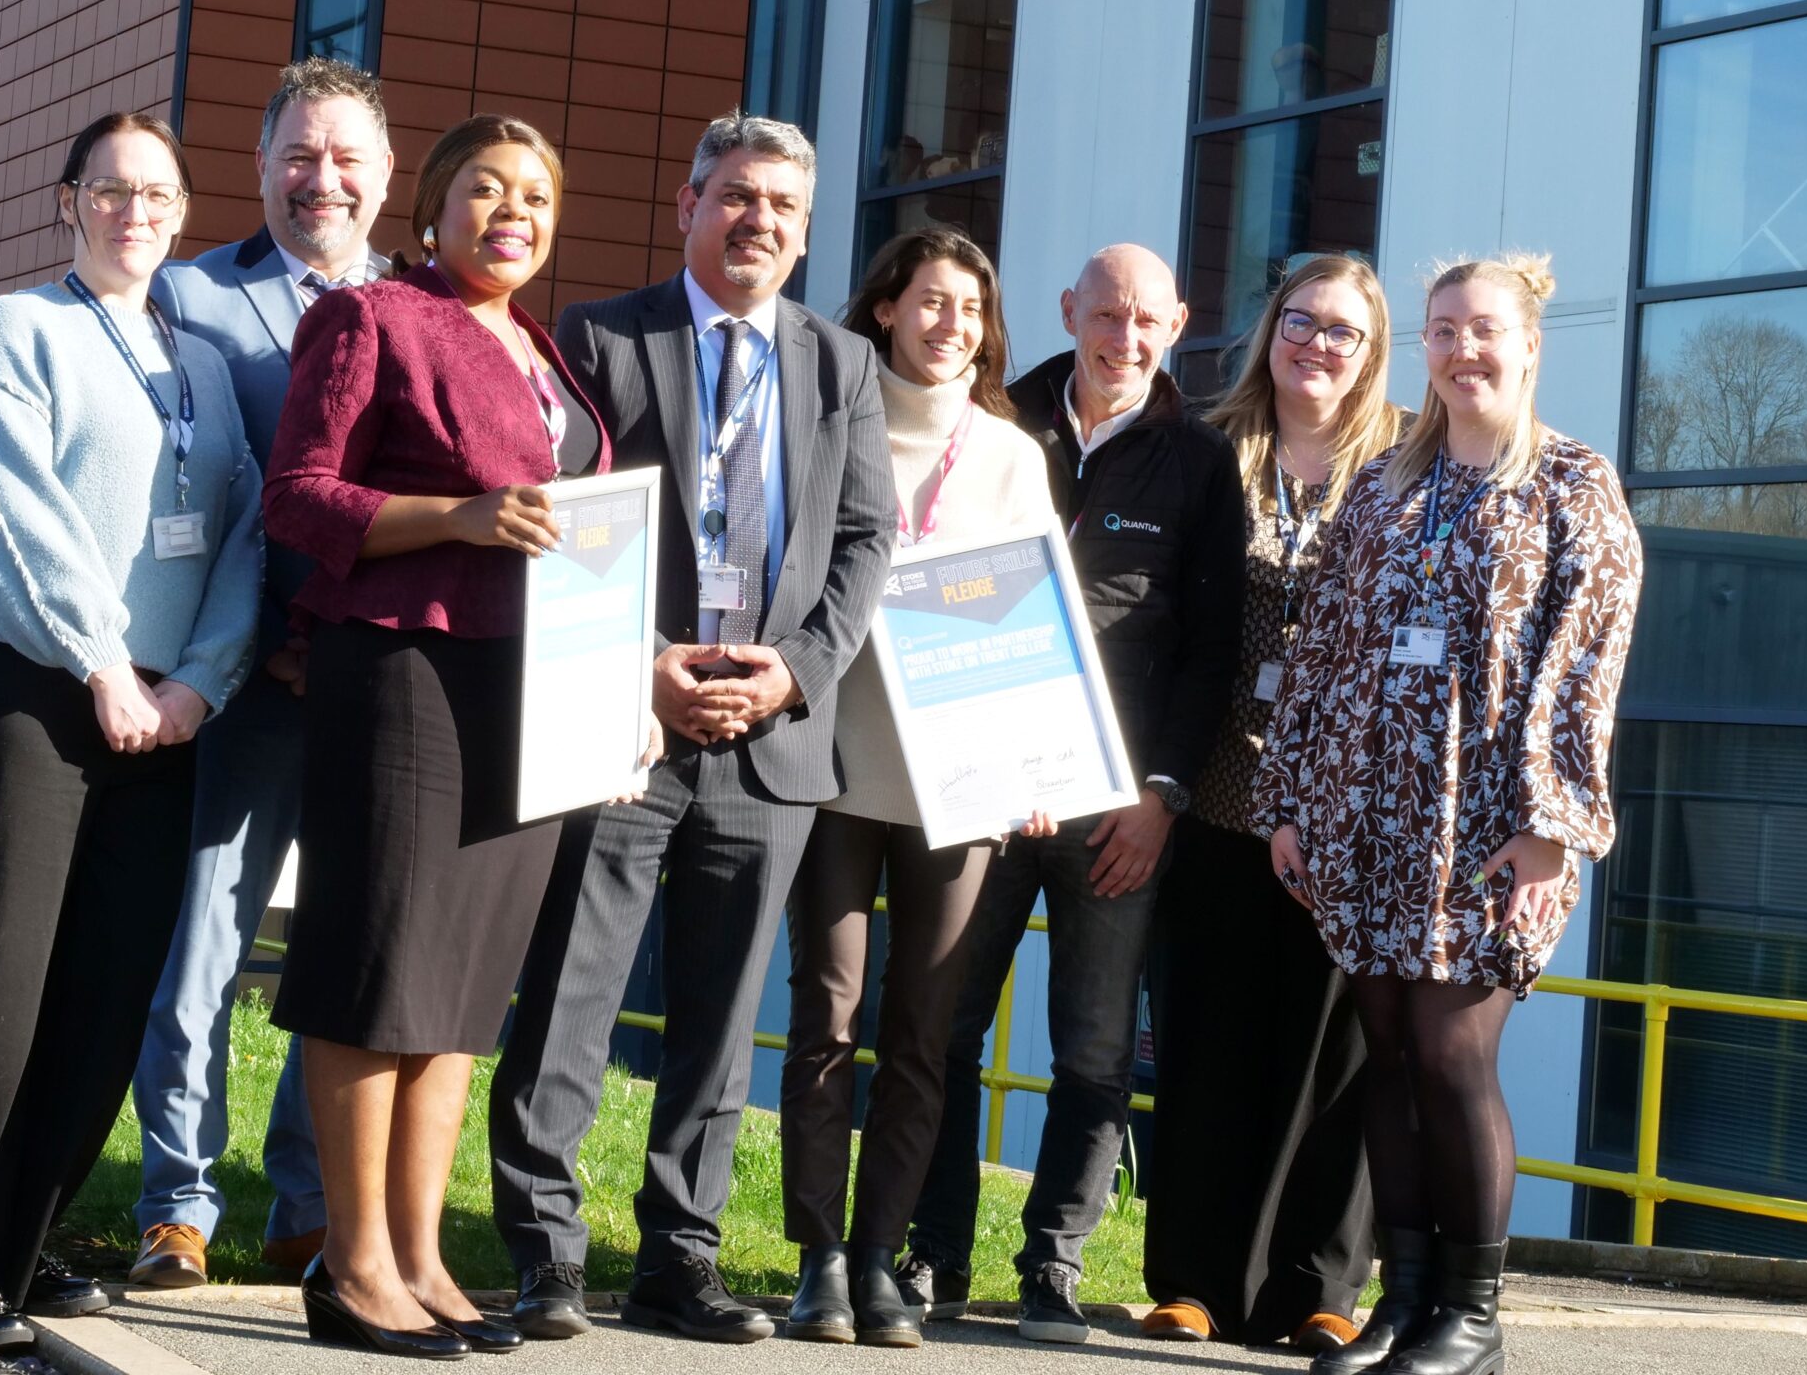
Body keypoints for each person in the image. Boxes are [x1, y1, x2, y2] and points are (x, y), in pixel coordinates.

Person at [489, 114, 896, 1345]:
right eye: (735, 196)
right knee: (574, 995)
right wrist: (638, 667)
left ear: (806, 230)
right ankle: (546, 1257)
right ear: (687, 204)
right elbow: (563, 522)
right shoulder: (603, 340)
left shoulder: (842, 365)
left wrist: (796, 672)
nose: (756, 220)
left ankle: (679, 1258)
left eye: (781, 206)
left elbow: (869, 540)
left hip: (771, 741)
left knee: (722, 1021)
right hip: (628, 728)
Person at [0, 113, 263, 1358]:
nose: (133, 210)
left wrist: (199, 681)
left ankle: (17, 1247)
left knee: (104, 990)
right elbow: (6, 507)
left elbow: (246, 529)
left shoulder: (199, 362)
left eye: (155, 192)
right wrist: (101, 661)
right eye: (108, 190)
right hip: (22, 690)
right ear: (67, 203)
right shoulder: (16, 329)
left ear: (182, 210)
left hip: (162, 712)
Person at [1256, 253, 1641, 1375]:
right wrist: (1288, 799)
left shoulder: (1573, 486)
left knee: (1452, 1053)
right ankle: (1406, 1301)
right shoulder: (1383, 483)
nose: (1462, 350)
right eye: (1441, 331)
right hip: (1365, 816)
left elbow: (1587, 668)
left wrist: (1550, 824)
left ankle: (1473, 1320)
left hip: (1488, 830)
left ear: (1527, 345)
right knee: (1387, 1054)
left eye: (1483, 331)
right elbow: (1318, 645)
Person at [265, 113, 610, 1359]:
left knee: (462, 983)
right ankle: (349, 1263)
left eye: (534, 197)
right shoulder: (372, 318)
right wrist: (458, 517)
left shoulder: (544, 353)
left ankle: (418, 1254)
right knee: (379, 966)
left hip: (529, 691)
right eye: (484, 189)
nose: (510, 212)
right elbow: (299, 496)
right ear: (433, 206)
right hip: (404, 671)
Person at [899, 245, 1244, 1343]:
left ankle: (1049, 1269)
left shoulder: (1198, 462)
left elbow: (1210, 653)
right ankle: (931, 1258)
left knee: (1094, 1055)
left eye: (1146, 319)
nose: (1123, 337)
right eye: (1105, 314)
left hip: (1118, 813)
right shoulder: (994, 417)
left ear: (1177, 321)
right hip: (984, 796)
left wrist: (1161, 797)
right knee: (939, 1029)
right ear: (1067, 310)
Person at [127, 58, 395, 1290]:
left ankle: (303, 1202)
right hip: (237, 684)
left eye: (345, 158)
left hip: (381, 693)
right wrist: (257, 638)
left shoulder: (426, 309)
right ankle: (177, 1201)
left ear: (384, 176)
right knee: (204, 947)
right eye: (298, 155)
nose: (320, 179)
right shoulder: (187, 299)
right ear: (260, 168)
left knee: (342, 949)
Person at [777, 228, 1057, 1350]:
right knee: (825, 1017)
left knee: (924, 1034)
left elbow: (1040, 625)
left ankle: (882, 1259)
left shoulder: (1007, 453)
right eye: (931, 302)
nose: (952, 326)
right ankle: (815, 1262)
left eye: (970, 310)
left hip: (962, 780)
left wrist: (1042, 766)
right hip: (833, 765)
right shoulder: (825, 423)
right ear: (885, 308)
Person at [1140, 256, 1405, 1351]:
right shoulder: (1211, 450)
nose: (1318, 346)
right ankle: (1195, 1282)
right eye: (1302, 322)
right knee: (1207, 1045)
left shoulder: (1403, 464)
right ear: (1270, 329)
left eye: (1343, 331)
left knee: (1332, 1058)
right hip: (1212, 796)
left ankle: (1318, 1292)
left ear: (1372, 347)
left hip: (1342, 814)